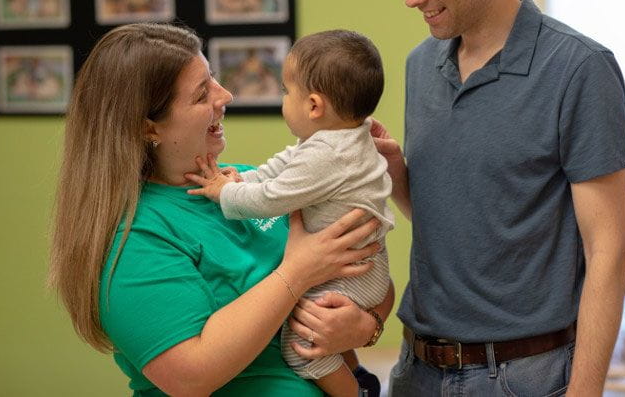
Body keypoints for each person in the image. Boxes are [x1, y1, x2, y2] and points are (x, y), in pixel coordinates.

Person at [372, 0, 625, 396]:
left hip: (526, 375)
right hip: (415, 368)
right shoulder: (420, 65)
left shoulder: (580, 69)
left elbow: (609, 250)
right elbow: (465, 224)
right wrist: (399, 175)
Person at [47, 22, 393, 397]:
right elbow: (190, 377)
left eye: (213, 78)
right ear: (150, 129)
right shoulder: (135, 237)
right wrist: (298, 270)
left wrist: (364, 325)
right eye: (201, 95)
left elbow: (367, 273)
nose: (225, 95)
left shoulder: (247, 184)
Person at [186, 29, 394, 397]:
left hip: (356, 275)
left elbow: (271, 197)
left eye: (285, 91)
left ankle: (355, 392)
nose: (283, 98)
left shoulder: (328, 155)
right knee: (320, 339)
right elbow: (280, 169)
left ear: (314, 106)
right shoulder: (337, 137)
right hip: (363, 267)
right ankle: (355, 379)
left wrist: (224, 193)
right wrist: (241, 178)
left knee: (303, 353)